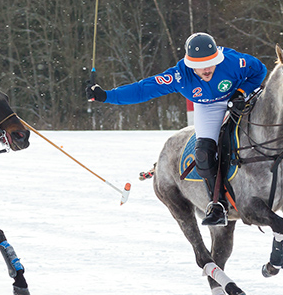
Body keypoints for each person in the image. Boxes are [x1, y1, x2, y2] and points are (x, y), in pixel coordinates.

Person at [87, 32, 267, 226]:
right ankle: (218, 205)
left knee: (274, 123)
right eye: (200, 66)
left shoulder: (234, 62)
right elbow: (143, 89)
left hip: (238, 95)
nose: (206, 69)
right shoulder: (179, 76)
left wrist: (241, 92)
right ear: (191, 65)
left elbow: (260, 71)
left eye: (211, 62)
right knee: (204, 153)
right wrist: (106, 96)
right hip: (208, 106)